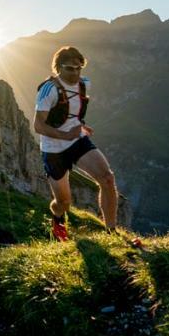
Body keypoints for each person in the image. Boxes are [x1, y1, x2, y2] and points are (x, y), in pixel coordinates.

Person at [33, 46, 120, 241]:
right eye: (69, 68)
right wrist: (65, 135)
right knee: (63, 202)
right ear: (58, 68)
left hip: (77, 140)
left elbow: (71, 111)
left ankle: (111, 232)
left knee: (107, 178)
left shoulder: (84, 84)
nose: (75, 73)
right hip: (53, 149)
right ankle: (57, 220)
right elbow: (38, 125)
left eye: (78, 68)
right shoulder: (49, 89)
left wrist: (80, 126)